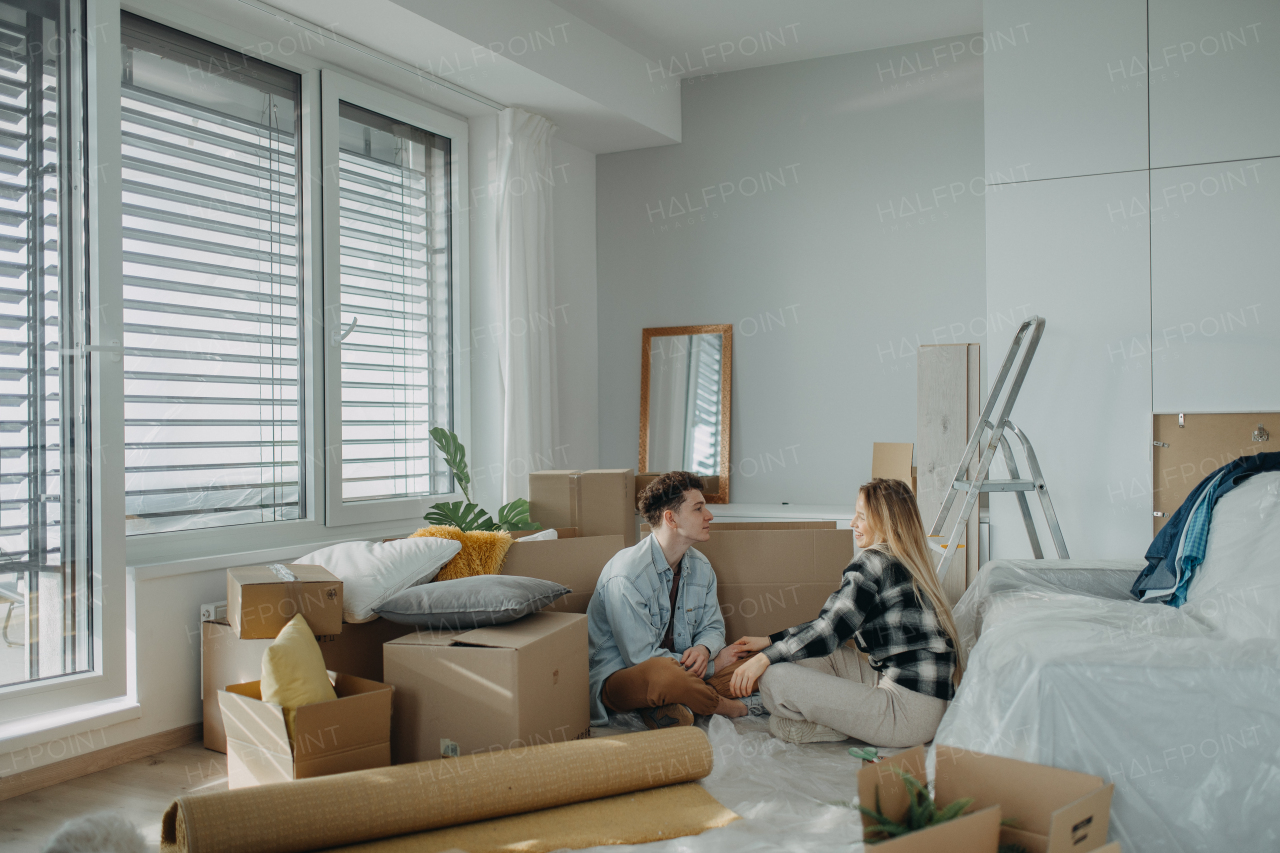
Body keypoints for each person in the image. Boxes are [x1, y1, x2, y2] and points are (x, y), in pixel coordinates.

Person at [721, 477, 962, 746]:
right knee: (810, 655)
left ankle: (842, 726)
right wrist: (771, 641)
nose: (852, 524)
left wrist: (763, 658)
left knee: (774, 677)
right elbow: (833, 623)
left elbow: (829, 631)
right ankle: (847, 720)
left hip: (906, 714)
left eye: (861, 516)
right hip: (922, 702)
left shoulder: (872, 561)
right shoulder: (906, 559)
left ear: (885, 522)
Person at [586, 471, 748, 729]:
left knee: (753, 657)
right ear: (671, 518)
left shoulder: (701, 566)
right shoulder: (626, 575)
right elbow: (642, 659)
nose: (709, 516)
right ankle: (724, 706)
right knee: (667, 676)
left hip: (679, 667)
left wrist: (704, 649)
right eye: (698, 509)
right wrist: (712, 666)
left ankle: (670, 706)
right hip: (625, 677)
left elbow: (714, 628)